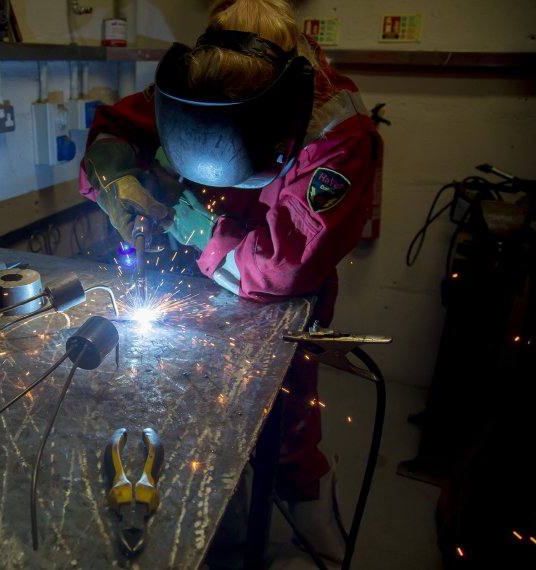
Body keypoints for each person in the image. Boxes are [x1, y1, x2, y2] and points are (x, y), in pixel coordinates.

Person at [78, 0, 382, 566]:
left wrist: (199, 231)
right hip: (194, 282)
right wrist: (116, 176)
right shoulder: (204, 82)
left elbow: (283, 267)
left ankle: (310, 503)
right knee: (193, 414)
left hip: (277, 301)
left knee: (284, 416)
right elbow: (117, 127)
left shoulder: (340, 138)